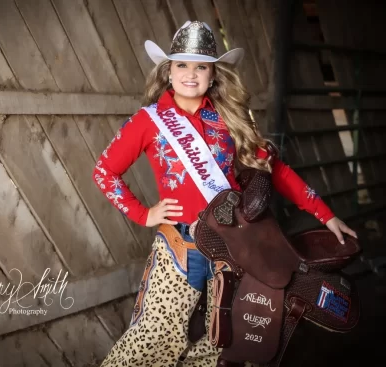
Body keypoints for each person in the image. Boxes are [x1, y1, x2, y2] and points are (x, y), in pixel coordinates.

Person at [92, 20, 357, 367]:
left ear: (213, 74)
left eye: (201, 66)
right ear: (168, 72)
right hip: (180, 248)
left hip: (235, 250)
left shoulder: (230, 120)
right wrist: (144, 214)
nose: (191, 73)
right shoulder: (148, 121)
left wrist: (326, 214)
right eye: (181, 64)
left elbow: (276, 171)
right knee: (153, 337)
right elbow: (104, 172)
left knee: (226, 340)